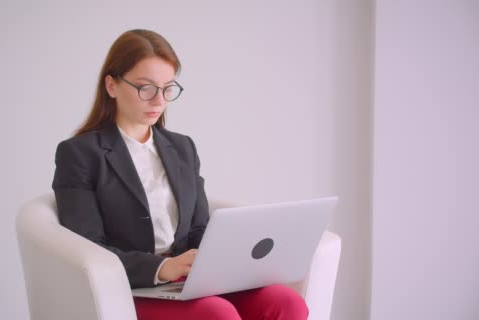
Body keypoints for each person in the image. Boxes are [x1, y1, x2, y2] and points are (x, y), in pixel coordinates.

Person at [52, 29, 309, 320]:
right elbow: (88, 247)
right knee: (217, 313)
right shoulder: (80, 154)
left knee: (287, 303)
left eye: (167, 88)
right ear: (111, 85)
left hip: (190, 281)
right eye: (145, 88)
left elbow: (198, 229)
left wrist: (227, 260)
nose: (158, 101)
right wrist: (163, 268)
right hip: (132, 288)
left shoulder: (182, 148)